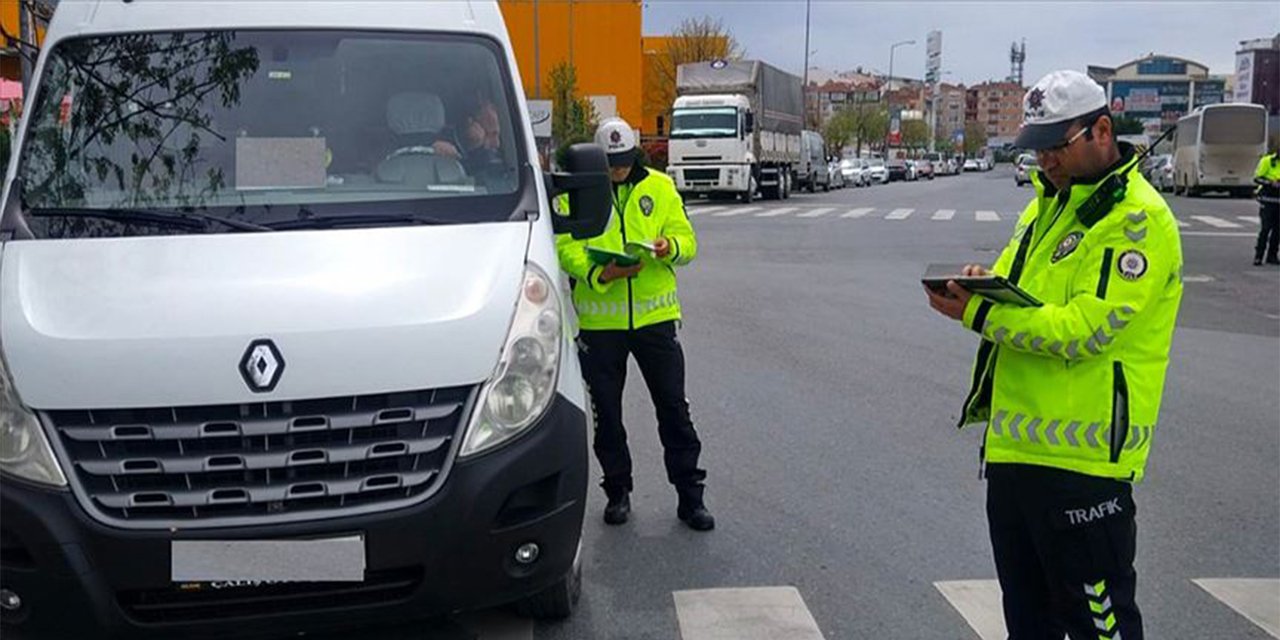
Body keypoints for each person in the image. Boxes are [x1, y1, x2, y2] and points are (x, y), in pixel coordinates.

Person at [924, 70, 1184, 639]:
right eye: (1036, 148)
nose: (1044, 161)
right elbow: (1028, 297)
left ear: (1102, 130)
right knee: (1028, 622)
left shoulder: (1137, 220)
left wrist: (979, 313)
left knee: (1099, 626)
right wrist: (984, 284)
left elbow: (1085, 330)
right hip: (1016, 456)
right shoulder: (1049, 206)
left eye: (1055, 147)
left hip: (1083, 467)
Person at [553, 117, 713, 531]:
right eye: (610, 163)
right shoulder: (578, 190)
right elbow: (565, 247)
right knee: (607, 413)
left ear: (634, 154)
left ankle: (690, 497)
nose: (617, 170)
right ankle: (618, 492)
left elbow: (688, 241)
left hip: (655, 319)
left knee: (674, 408)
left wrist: (668, 247)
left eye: (623, 161)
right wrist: (599, 274)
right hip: (600, 323)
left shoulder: (659, 187)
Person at [1253, 144, 1280, 266]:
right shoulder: (1267, 161)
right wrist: (1270, 182)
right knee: (1265, 228)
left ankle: (1272, 255)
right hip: (1267, 199)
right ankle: (1258, 256)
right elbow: (1257, 178)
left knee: (1278, 230)